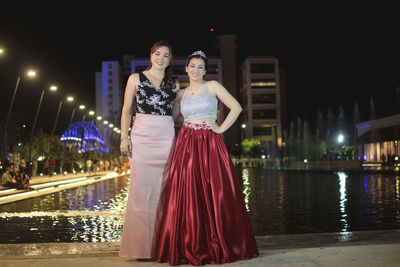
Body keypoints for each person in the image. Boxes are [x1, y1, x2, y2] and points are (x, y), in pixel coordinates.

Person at [157, 51, 259, 265]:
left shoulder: (212, 86)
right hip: (186, 144)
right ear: (186, 69)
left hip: (210, 142)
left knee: (216, 190)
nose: (196, 70)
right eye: (192, 66)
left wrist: (220, 128)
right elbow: (174, 118)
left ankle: (220, 242)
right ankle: (192, 243)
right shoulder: (181, 94)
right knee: (189, 191)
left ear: (205, 70)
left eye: (200, 67)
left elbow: (236, 107)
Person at [119, 40, 181, 260]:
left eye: (166, 55)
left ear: (170, 60)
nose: (161, 58)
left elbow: (175, 115)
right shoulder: (135, 78)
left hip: (165, 136)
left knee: (164, 192)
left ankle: (162, 247)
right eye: (157, 54)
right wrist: (124, 137)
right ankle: (140, 249)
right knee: (140, 191)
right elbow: (126, 110)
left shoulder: (174, 85)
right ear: (151, 55)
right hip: (141, 136)